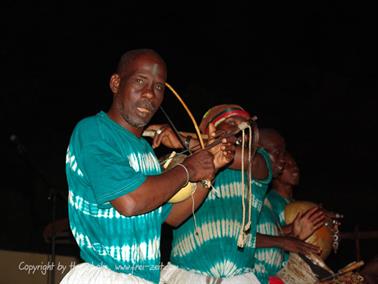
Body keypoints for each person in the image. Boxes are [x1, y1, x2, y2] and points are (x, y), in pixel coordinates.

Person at [61, 49, 235, 284]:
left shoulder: (146, 152)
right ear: (116, 82)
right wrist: (188, 170)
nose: (150, 94)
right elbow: (131, 202)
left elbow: (171, 216)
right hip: (103, 276)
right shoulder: (93, 131)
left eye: (158, 87)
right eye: (140, 81)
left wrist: (209, 170)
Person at [155, 105, 320, 284]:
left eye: (246, 127)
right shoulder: (185, 165)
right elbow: (171, 217)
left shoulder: (258, 162)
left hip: (239, 277)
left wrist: (185, 141)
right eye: (231, 122)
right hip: (186, 273)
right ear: (208, 130)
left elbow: (248, 160)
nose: (241, 131)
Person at [253, 149, 325, 283]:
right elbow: (253, 236)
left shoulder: (292, 203)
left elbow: (276, 237)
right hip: (265, 273)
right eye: (287, 165)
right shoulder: (271, 200)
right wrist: (290, 231)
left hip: (282, 269)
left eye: (295, 164)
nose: (295, 168)